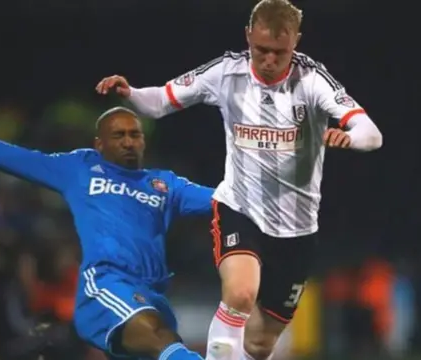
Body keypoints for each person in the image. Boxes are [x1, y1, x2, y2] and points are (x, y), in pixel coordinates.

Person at [95, 0, 383, 359]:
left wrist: (350, 136)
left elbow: (372, 133)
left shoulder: (313, 80)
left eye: (280, 52)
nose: (269, 60)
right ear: (248, 36)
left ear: (296, 42)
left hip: (297, 230)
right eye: (261, 49)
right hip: (240, 208)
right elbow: (161, 101)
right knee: (241, 294)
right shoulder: (225, 72)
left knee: (259, 345)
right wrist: (131, 94)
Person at [0, 101, 213, 360]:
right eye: (119, 135)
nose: (128, 142)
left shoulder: (165, 185)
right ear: (99, 143)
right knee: (158, 336)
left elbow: (225, 201)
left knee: (164, 342)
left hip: (151, 293)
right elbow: (4, 154)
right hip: (106, 285)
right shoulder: (80, 168)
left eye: (135, 134)